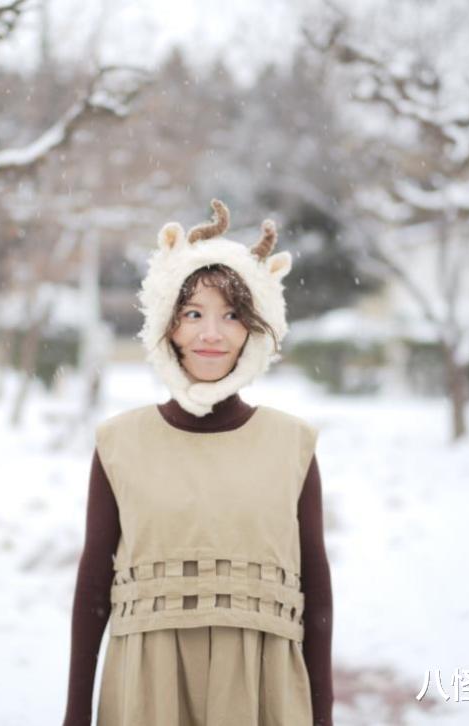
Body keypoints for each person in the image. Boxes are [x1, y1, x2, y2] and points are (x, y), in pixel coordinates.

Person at [62, 200, 334, 726]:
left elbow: (316, 592)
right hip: (147, 690)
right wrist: (76, 714)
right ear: (167, 326)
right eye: (193, 314)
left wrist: (322, 714)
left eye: (232, 314)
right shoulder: (120, 443)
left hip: (263, 690)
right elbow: (93, 586)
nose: (212, 334)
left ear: (256, 328)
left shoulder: (292, 445)